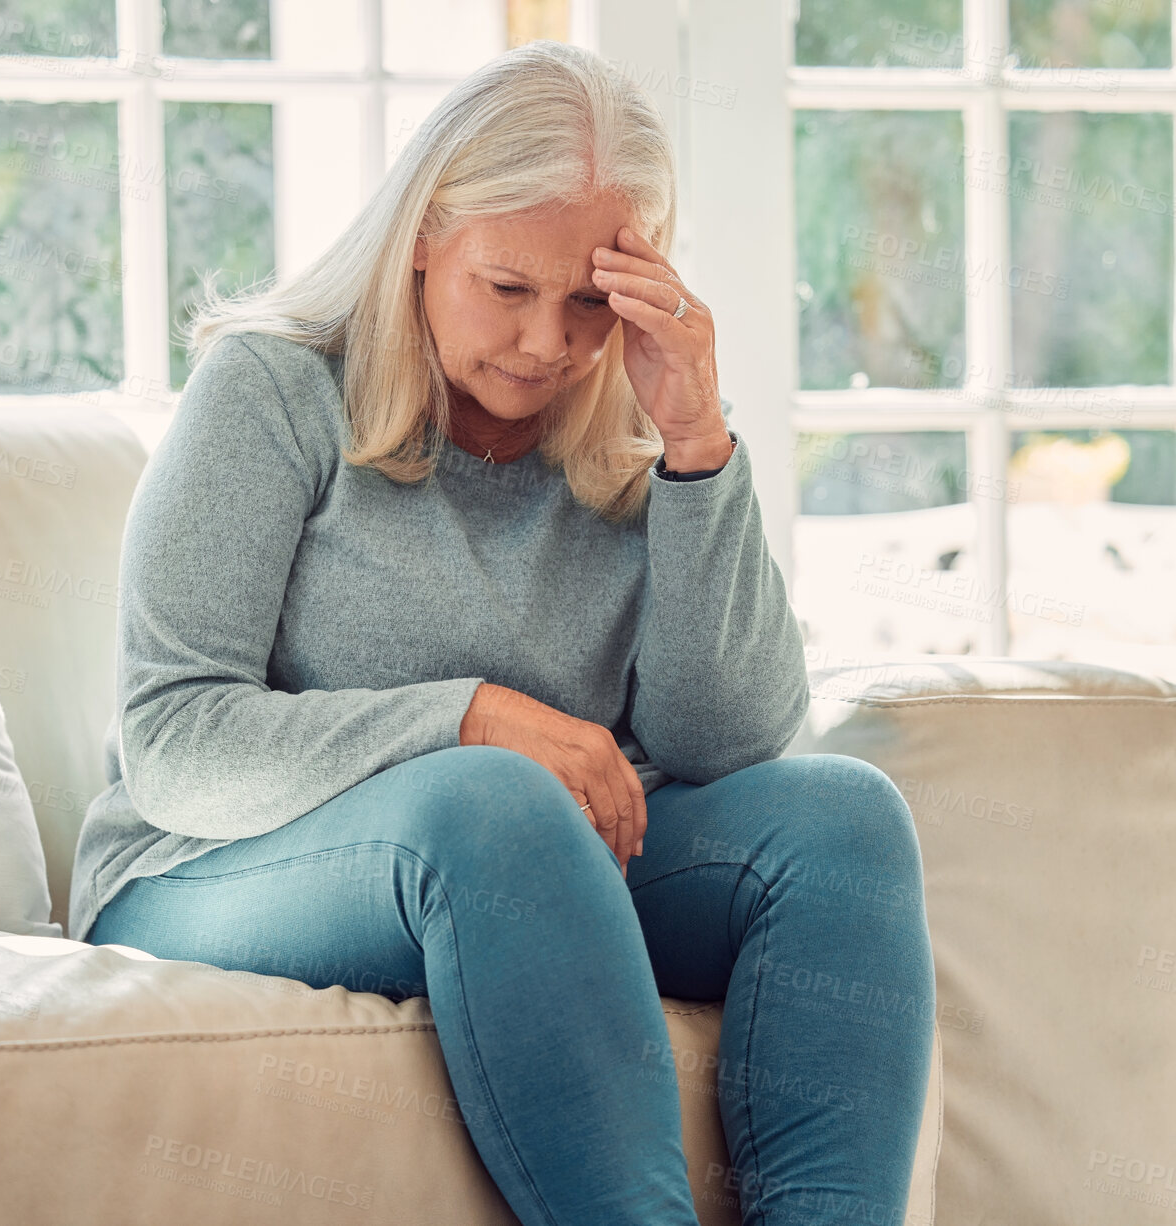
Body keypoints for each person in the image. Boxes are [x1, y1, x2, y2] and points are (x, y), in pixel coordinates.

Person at [69, 39, 934, 1226]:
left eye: (587, 301)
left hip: (531, 866)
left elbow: (725, 736)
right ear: (423, 234)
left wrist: (694, 443)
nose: (543, 345)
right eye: (506, 289)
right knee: (492, 797)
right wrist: (469, 717)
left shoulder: (633, 425)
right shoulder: (269, 390)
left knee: (841, 819)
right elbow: (173, 739)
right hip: (203, 866)